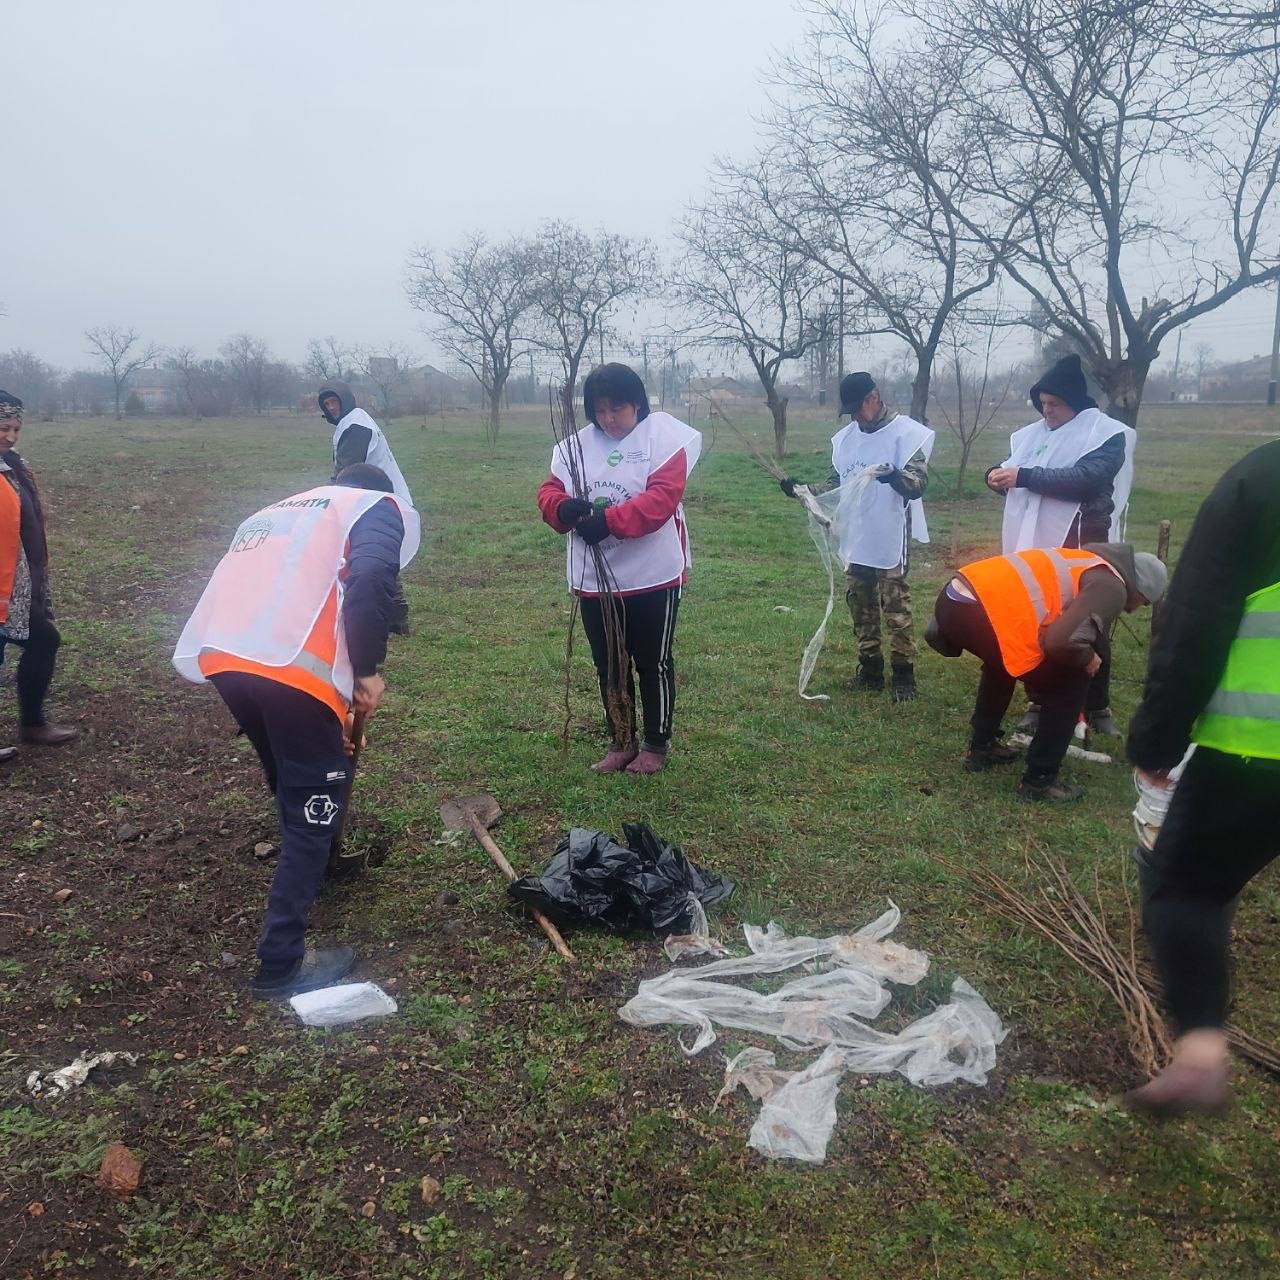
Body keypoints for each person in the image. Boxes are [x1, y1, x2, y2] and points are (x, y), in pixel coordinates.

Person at [173, 464, 420, 998]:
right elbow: (372, 579)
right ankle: (279, 962)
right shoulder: (374, 507)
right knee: (314, 800)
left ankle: (321, 859)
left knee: (294, 774)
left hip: (228, 654)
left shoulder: (289, 509)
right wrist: (368, 670)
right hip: (290, 666)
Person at [1123, 439, 1280, 1115]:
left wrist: (1159, 736)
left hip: (1256, 750)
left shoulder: (1263, 478)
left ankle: (1200, 1054)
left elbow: (1195, 617)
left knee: (1185, 889)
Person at [536, 363, 701, 775]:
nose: (608, 419)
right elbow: (549, 492)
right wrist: (561, 507)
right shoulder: (574, 447)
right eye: (600, 410)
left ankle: (655, 744)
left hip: (652, 575)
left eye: (618, 409)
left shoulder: (662, 438)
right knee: (609, 663)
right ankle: (621, 740)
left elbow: (661, 500)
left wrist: (608, 522)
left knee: (653, 661)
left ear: (638, 405)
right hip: (596, 580)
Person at [925, 542, 1166, 801]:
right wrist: (1087, 658)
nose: (1136, 608)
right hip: (981, 611)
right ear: (1141, 590)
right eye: (1144, 603)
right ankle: (1039, 780)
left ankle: (982, 748)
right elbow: (1060, 642)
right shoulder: (1112, 586)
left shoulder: (1085, 560)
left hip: (953, 600)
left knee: (1004, 663)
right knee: (1071, 681)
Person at [986, 354, 1136, 736]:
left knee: (1089, 623)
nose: (1046, 411)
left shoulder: (1105, 435)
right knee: (1041, 619)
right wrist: (995, 476)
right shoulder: (1033, 435)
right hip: (1036, 546)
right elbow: (1013, 469)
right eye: (1042, 404)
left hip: (1084, 543)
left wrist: (1023, 476)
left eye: (1054, 404)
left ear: (1074, 401)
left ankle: (1097, 707)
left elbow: (1085, 479)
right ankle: (1039, 701)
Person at [781, 372, 933, 701]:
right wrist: (802, 491)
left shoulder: (905, 434)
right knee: (860, 605)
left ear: (874, 398)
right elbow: (836, 487)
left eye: (858, 408)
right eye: (849, 411)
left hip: (890, 533)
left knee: (896, 606)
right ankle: (871, 669)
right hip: (857, 535)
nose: (855, 417)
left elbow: (918, 485)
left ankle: (904, 673)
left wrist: (894, 476)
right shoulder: (846, 439)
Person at [0, 390, 78, 758]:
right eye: (3, 427)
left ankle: (33, 724)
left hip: (17, 587)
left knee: (44, 640)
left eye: (16, 428)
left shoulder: (14, 465)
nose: (11, 435)